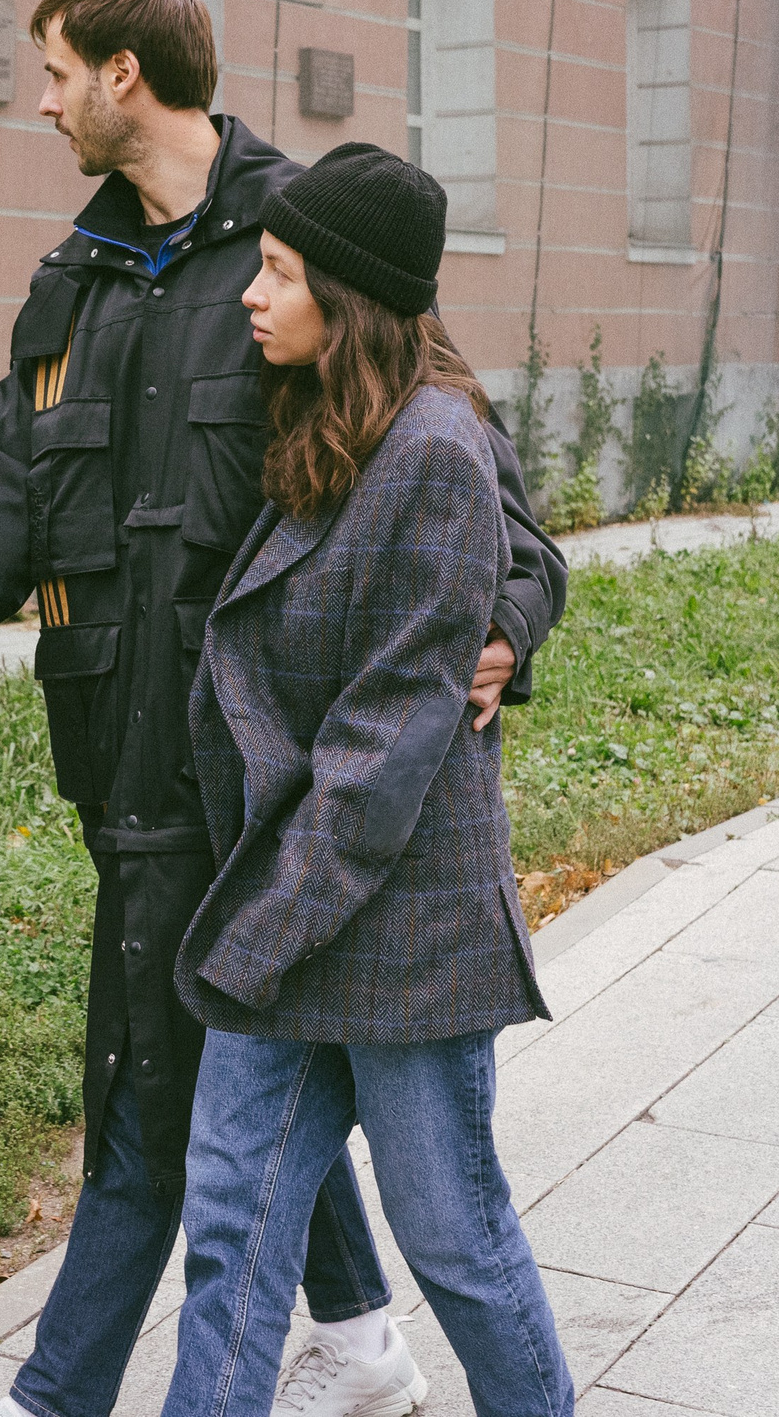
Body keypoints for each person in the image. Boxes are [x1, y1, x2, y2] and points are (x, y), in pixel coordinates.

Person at [0, 0, 567, 1417]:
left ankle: (57, 1390)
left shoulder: (311, 245)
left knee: (166, 1112)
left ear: (123, 75)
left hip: (287, 795)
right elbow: (7, 495)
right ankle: (358, 1336)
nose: (39, 100)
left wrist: (502, 619)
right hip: (129, 753)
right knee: (231, 1130)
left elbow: (482, 491)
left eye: (54, 72)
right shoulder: (77, 280)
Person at [162, 144, 570, 1417]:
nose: (250, 294)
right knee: (229, 1234)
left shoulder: (437, 450)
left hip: (394, 915)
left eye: (278, 273)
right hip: (292, 892)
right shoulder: (322, 417)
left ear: (349, 301)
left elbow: (389, 736)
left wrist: (264, 920)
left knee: (451, 1233)